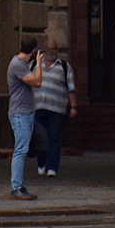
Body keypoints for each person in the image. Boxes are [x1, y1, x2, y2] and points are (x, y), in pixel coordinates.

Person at [33, 38, 78, 178]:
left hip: (57, 109)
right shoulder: (34, 65)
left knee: (53, 138)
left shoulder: (64, 67)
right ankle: (41, 164)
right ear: (44, 50)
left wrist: (73, 106)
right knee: (40, 138)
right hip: (37, 108)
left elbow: (71, 88)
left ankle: (52, 167)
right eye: (48, 49)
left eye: (54, 49)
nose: (51, 52)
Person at [6, 36, 43, 200]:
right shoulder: (17, 64)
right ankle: (16, 187)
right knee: (20, 150)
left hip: (26, 112)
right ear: (34, 51)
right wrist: (39, 63)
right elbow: (37, 82)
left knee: (27, 147)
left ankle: (18, 185)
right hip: (19, 113)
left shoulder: (21, 64)